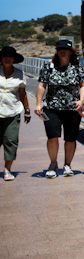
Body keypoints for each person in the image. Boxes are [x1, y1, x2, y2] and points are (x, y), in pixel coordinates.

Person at [35, 39, 84, 179]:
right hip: (52, 107)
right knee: (52, 137)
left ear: (70, 51)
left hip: (72, 108)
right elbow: (42, 85)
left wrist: (81, 101)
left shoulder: (77, 67)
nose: (62, 51)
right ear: (57, 51)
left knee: (70, 139)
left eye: (65, 49)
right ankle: (53, 164)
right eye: (60, 49)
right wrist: (38, 104)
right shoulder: (49, 66)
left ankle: (67, 165)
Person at [1, 46, 31, 181]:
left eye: (10, 56)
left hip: (13, 111)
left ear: (13, 59)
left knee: (11, 141)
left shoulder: (20, 73)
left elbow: (22, 94)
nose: (7, 58)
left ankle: (7, 169)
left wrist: (27, 111)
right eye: (5, 55)